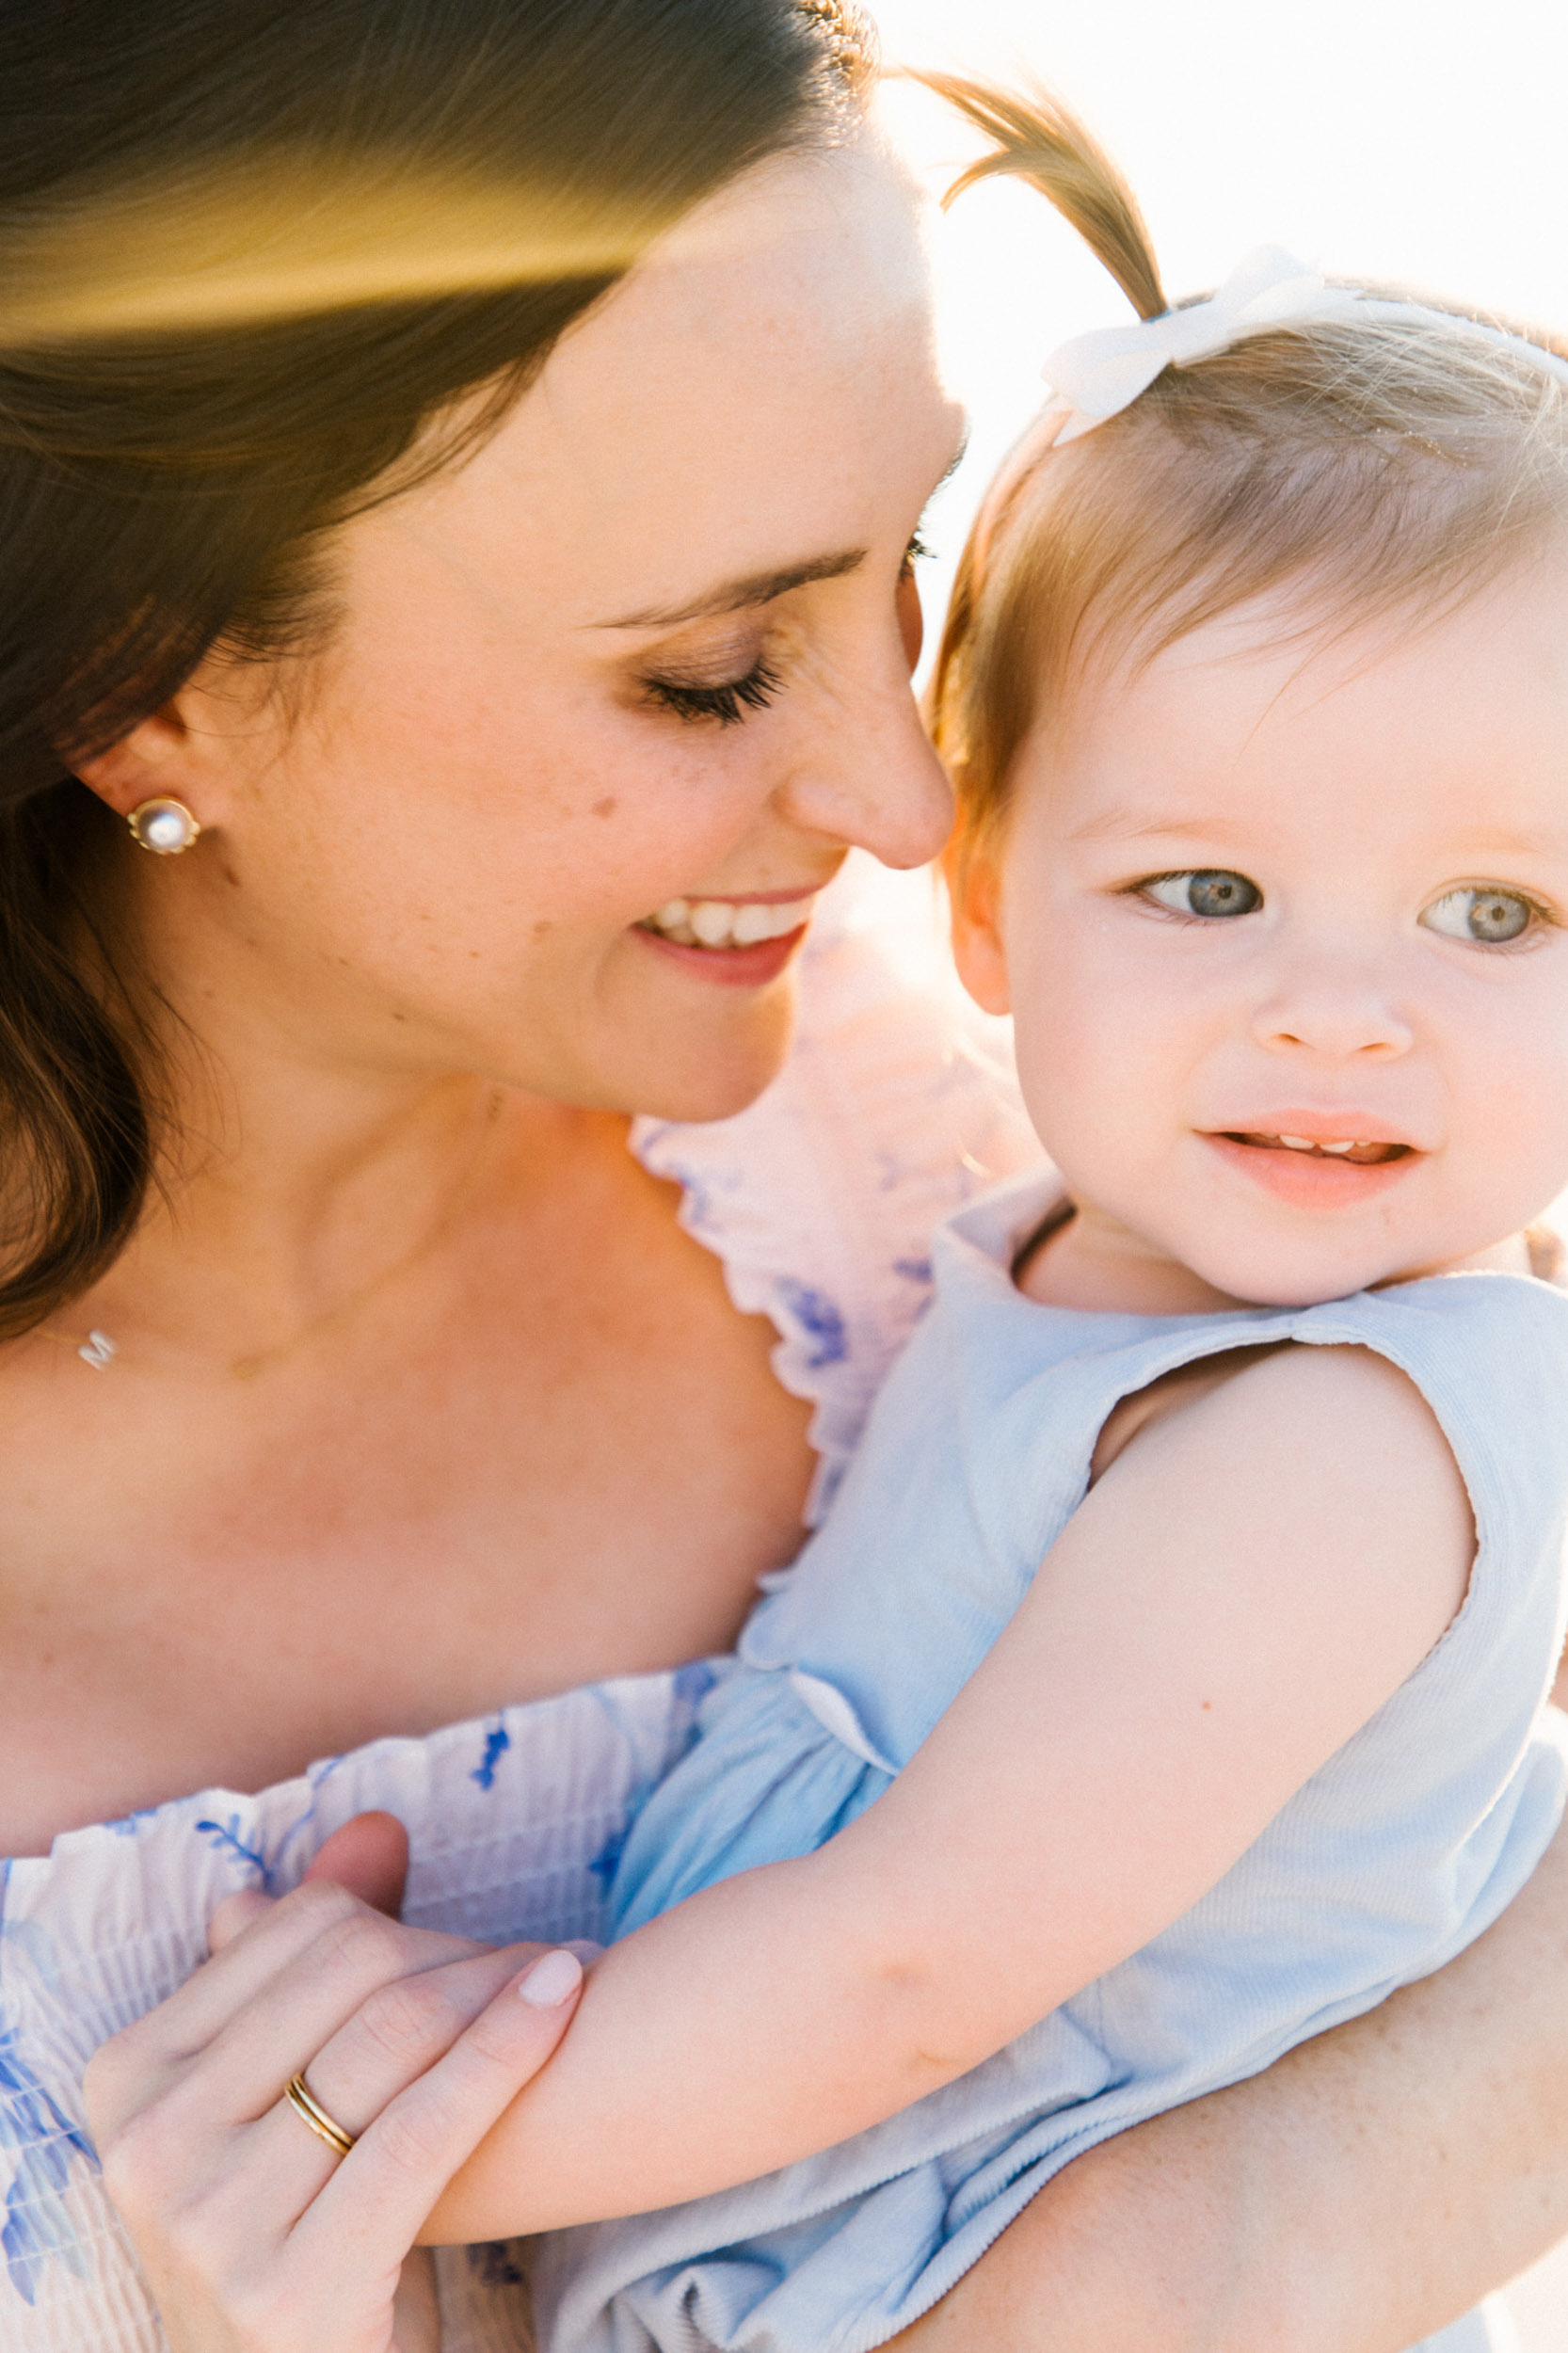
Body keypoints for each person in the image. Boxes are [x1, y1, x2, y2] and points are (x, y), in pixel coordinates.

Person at [3, 13, 1563, 2352]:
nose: (912, 806)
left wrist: (1222, 2245)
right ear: (148, 680)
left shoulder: (942, 1124)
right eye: (713, 669)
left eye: (904, 562)